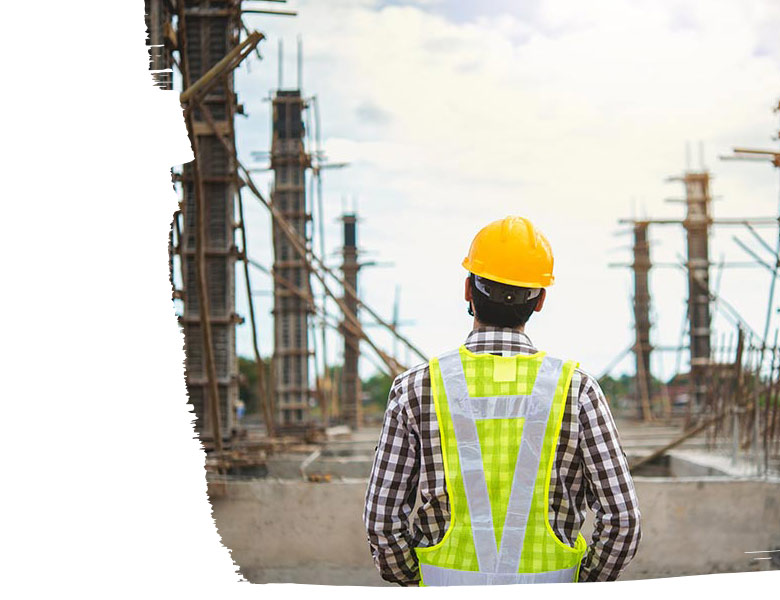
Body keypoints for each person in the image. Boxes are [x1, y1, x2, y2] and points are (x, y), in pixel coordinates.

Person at [363, 216, 641, 586]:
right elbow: (623, 520)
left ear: (468, 291)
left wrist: (418, 581)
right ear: (540, 300)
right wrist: (584, 584)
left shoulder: (415, 388)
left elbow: (382, 522)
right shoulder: (577, 390)